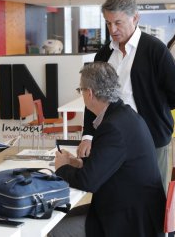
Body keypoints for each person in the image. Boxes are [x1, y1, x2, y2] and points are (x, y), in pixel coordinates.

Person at [49, 62, 166, 237]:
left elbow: (89, 182)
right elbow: (108, 162)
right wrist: (79, 163)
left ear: (89, 93)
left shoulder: (113, 127)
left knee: (54, 229)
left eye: (80, 90)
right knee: (55, 217)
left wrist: (62, 167)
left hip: (131, 220)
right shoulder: (124, 115)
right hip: (135, 207)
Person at [77, 0, 175, 190]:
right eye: (108, 23)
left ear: (135, 18)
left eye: (118, 22)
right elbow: (92, 98)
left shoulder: (155, 49)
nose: (113, 30)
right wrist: (88, 135)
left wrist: (156, 108)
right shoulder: (104, 53)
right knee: (117, 194)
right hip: (112, 138)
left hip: (152, 138)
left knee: (152, 196)